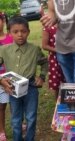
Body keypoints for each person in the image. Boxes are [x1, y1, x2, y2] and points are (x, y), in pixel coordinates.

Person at [0, 16, 48, 141]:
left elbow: (44, 62)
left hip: (31, 88)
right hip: (12, 88)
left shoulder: (34, 49)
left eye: (23, 31)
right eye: (15, 32)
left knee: (31, 117)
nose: (20, 35)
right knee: (16, 119)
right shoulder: (4, 50)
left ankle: (29, 138)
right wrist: (2, 81)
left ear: (28, 32)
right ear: (10, 32)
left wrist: (42, 77)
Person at [42, 24, 64, 100]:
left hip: (68, 58)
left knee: (68, 80)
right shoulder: (48, 28)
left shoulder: (67, 25)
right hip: (55, 59)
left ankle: (68, 101)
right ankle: (57, 104)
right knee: (57, 84)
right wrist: (59, 50)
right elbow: (44, 46)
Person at [0, 11, 13, 141]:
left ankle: (18, 123)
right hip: (0, 80)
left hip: (13, 77)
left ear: (3, 21)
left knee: (16, 104)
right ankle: (2, 131)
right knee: (1, 107)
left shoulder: (11, 38)